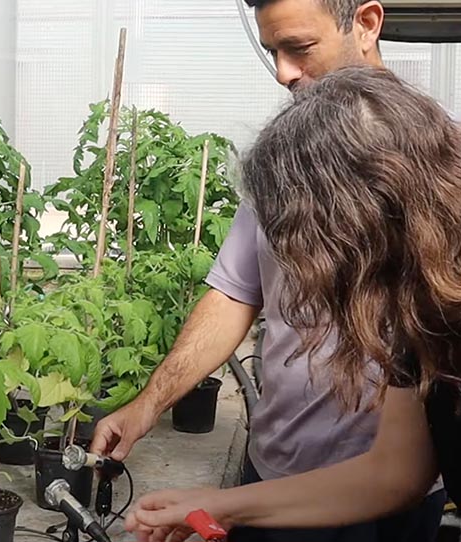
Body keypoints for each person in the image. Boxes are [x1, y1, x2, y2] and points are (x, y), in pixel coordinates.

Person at [90, 0, 446, 539]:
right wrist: (149, 405)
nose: (282, 72)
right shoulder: (292, 160)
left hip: (387, 496)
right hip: (277, 471)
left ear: (367, 24)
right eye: (271, 50)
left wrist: (220, 505)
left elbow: (396, 473)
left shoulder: (438, 185)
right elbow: (234, 293)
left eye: (299, 48)